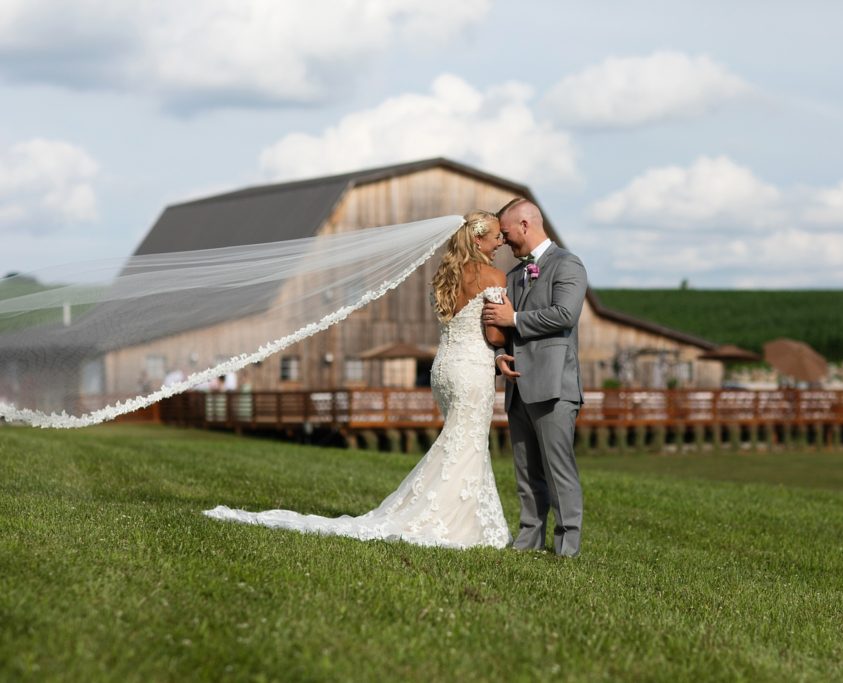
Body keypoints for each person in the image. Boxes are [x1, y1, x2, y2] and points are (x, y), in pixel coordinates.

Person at [204, 211, 512, 550]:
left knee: (459, 442)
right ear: (479, 239)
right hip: (471, 370)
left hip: (444, 369)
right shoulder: (492, 276)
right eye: (497, 236)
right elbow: (495, 334)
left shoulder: (445, 277)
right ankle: (447, 522)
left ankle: (467, 520)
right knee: (466, 443)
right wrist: (510, 315)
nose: (501, 243)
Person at [483, 198, 587, 557]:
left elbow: (564, 315)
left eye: (507, 233)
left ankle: (566, 547)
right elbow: (499, 329)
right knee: (526, 473)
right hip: (518, 386)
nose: (505, 241)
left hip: (555, 385)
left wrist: (513, 320)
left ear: (525, 225)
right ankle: (528, 539)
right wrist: (499, 357)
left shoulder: (568, 265)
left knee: (559, 471)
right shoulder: (513, 275)